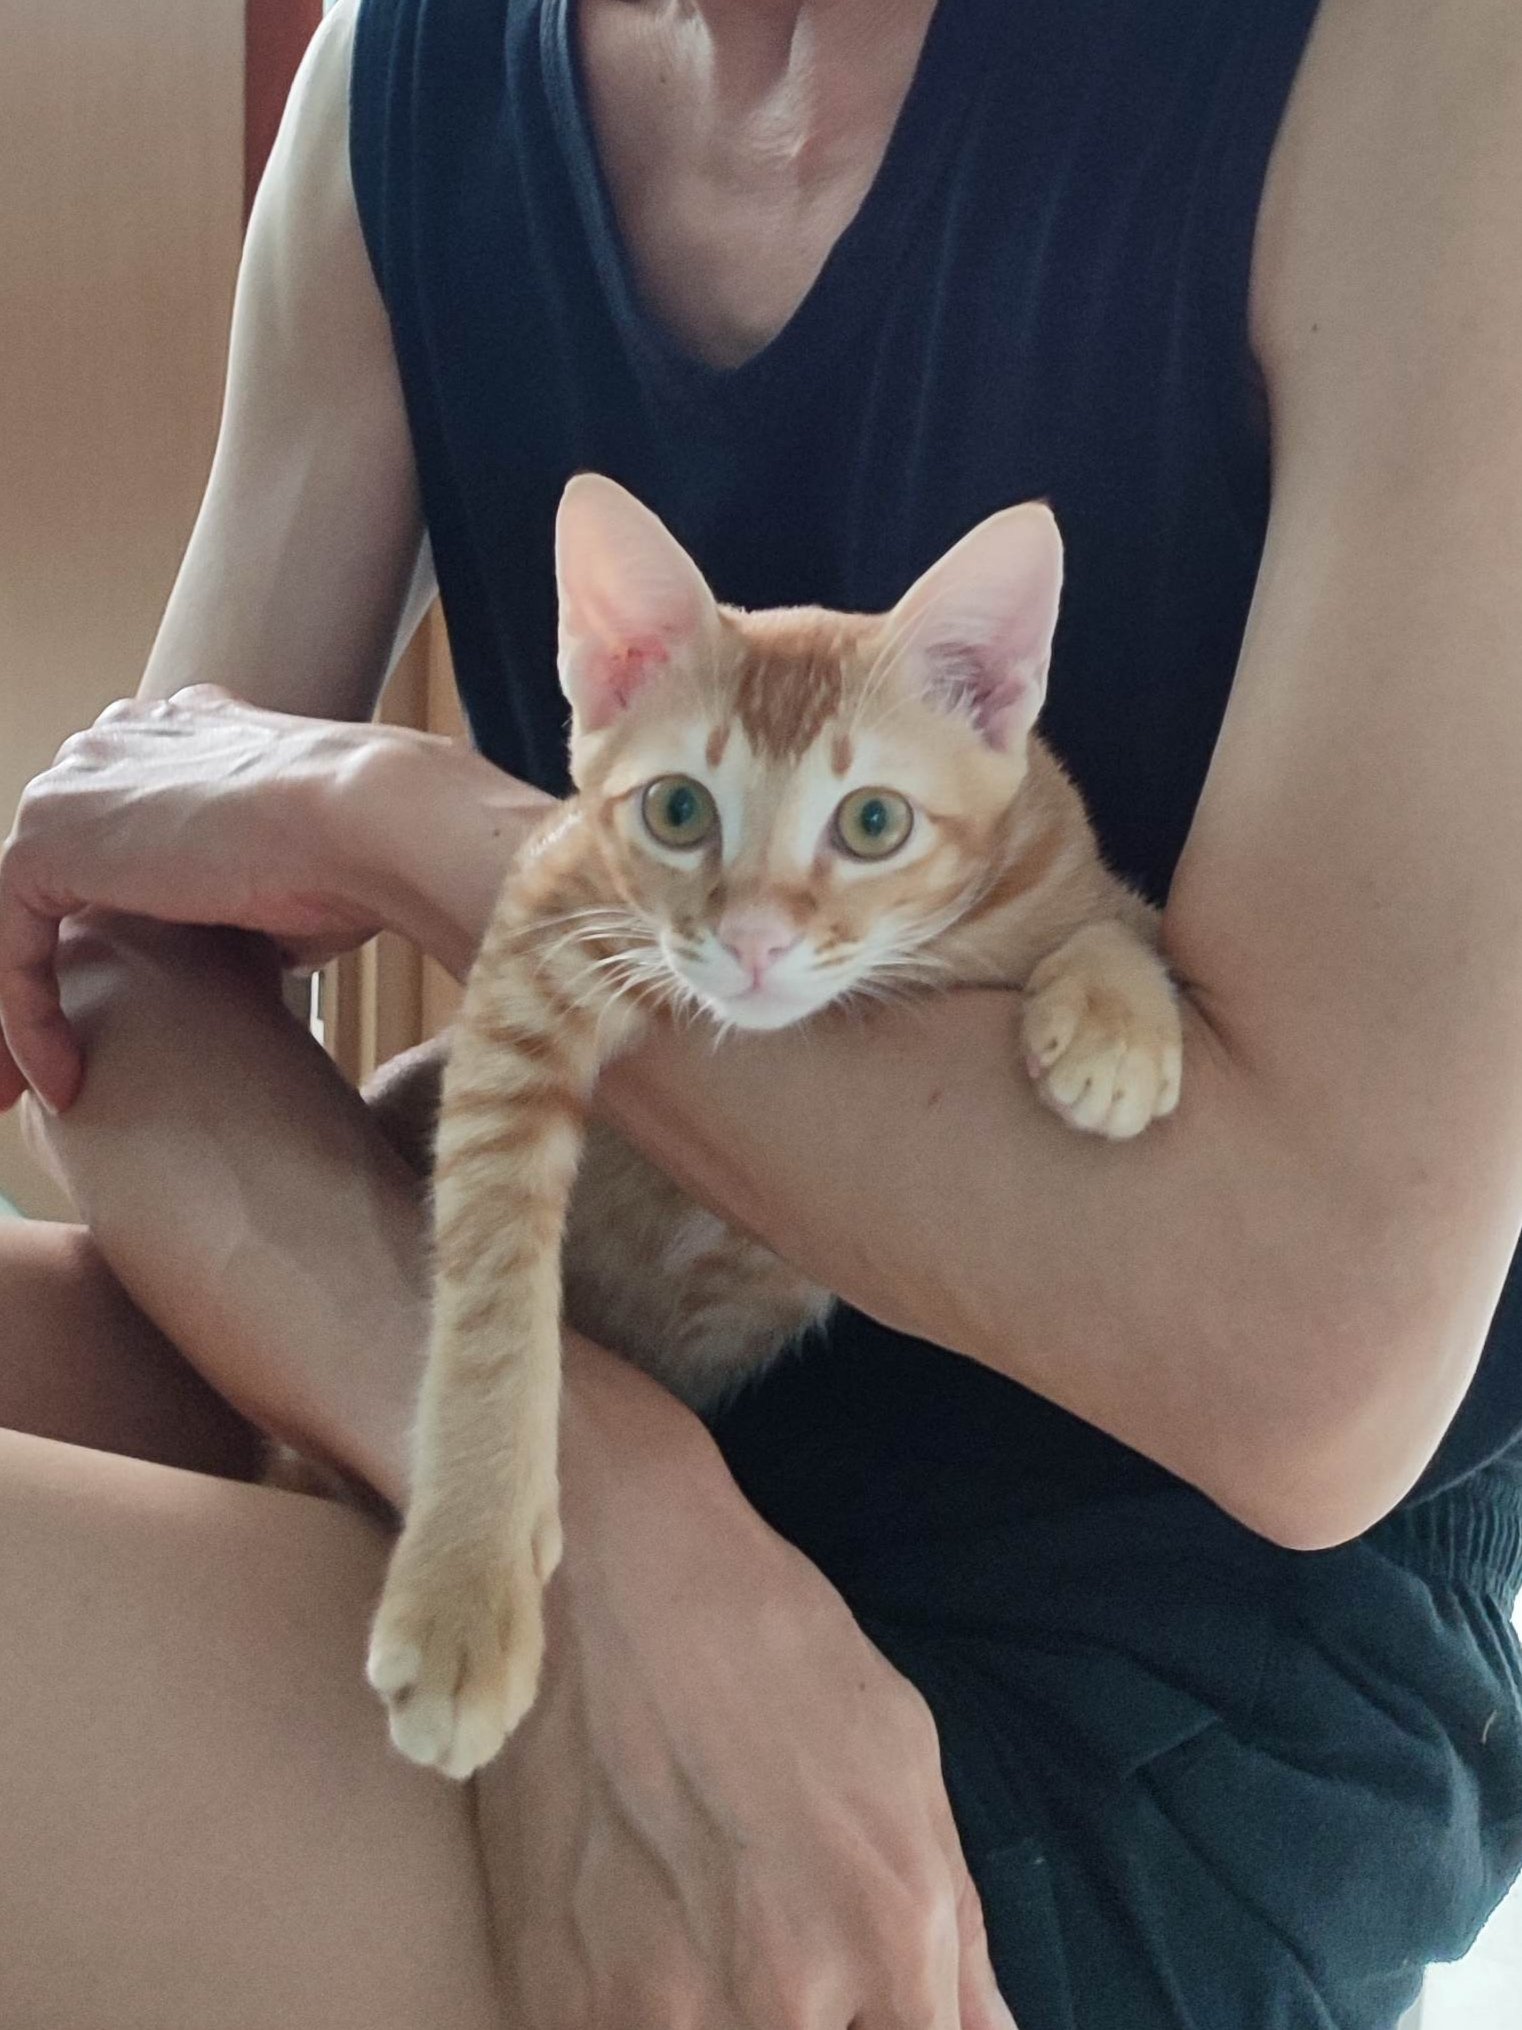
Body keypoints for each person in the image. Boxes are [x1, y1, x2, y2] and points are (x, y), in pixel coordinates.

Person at [2, 0, 1520, 2023]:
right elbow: (120, 976)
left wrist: (401, 820)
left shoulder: (1423, 73)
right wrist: (577, 1499)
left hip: (1132, 1667)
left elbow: (1313, 1372)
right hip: (558, 1371)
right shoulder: (400, 72)